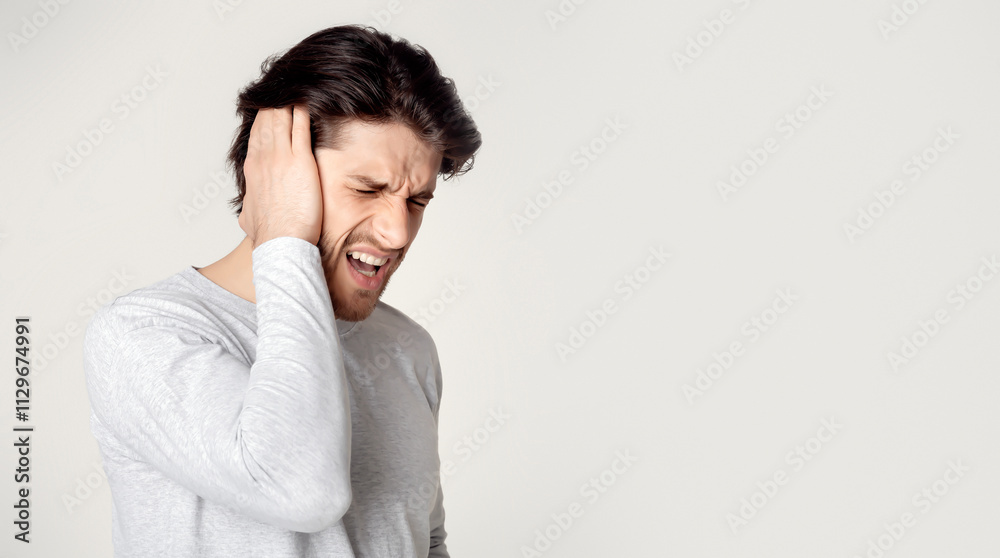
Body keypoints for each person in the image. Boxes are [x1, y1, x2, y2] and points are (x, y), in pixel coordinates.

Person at [81, 24, 481, 557]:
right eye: (367, 189)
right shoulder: (144, 336)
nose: (397, 233)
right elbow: (301, 490)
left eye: (417, 201)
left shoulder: (408, 348)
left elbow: (425, 542)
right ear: (274, 173)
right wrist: (285, 237)